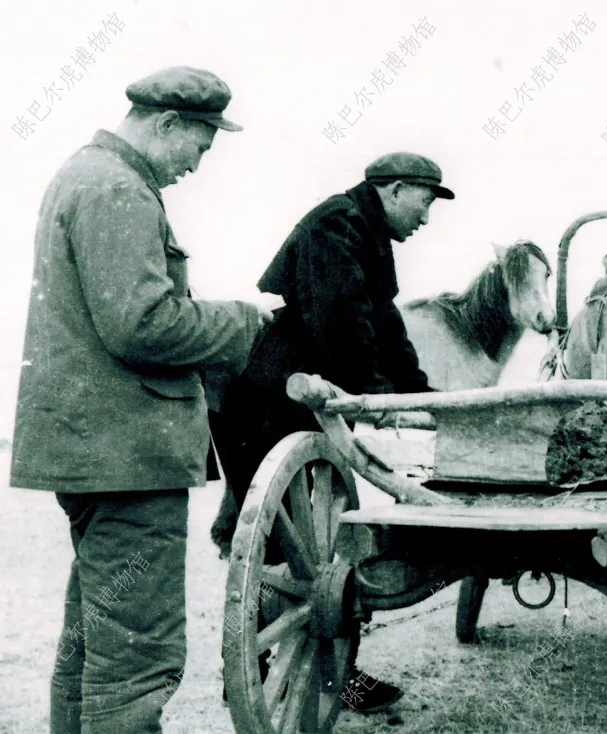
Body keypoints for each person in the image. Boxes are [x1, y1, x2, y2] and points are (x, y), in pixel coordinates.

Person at [9, 67, 279, 734]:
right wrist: (242, 320)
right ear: (167, 124)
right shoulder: (118, 189)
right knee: (135, 659)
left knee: (92, 647)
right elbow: (142, 326)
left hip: (97, 454)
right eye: (200, 146)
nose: (196, 164)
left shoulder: (88, 176)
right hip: (127, 460)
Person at [210, 151, 455, 712]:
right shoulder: (336, 225)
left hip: (297, 390)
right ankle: (258, 669)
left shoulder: (365, 233)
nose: (425, 217)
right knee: (279, 544)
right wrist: (372, 393)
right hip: (269, 393)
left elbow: (384, 322)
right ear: (394, 190)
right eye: (423, 202)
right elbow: (343, 323)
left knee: (301, 547)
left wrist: (418, 394)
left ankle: (301, 669)